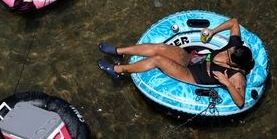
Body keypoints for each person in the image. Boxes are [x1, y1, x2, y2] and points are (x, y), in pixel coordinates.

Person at [97, 17, 254, 108]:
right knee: (160, 48)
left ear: (236, 65)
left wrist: (226, 82)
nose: (225, 55)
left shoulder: (236, 76)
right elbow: (234, 22)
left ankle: (118, 70)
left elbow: (240, 102)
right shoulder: (235, 48)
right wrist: (213, 31)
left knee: (157, 60)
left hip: (191, 75)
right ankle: (118, 51)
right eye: (228, 52)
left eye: (228, 59)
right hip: (193, 58)